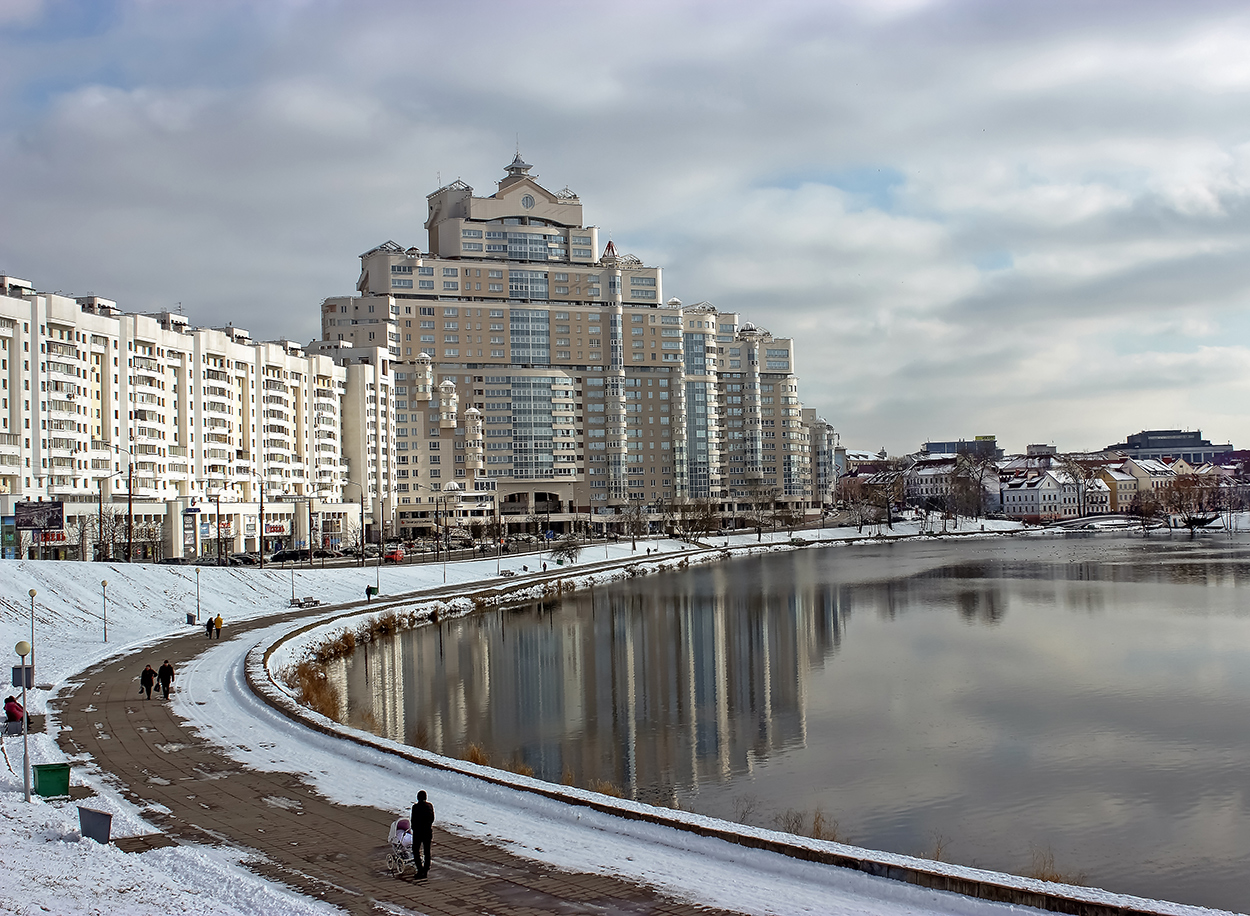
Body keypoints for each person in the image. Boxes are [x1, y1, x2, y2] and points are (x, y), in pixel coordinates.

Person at [410, 790, 435, 878]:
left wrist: (414, 829)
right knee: (427, 851)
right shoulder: (429, 806)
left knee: (416, 850)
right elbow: (432, 818)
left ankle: (420, 869)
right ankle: (426, 869)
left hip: (418, 833)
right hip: (427, 832)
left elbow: (413, 820)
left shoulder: (415, 807)